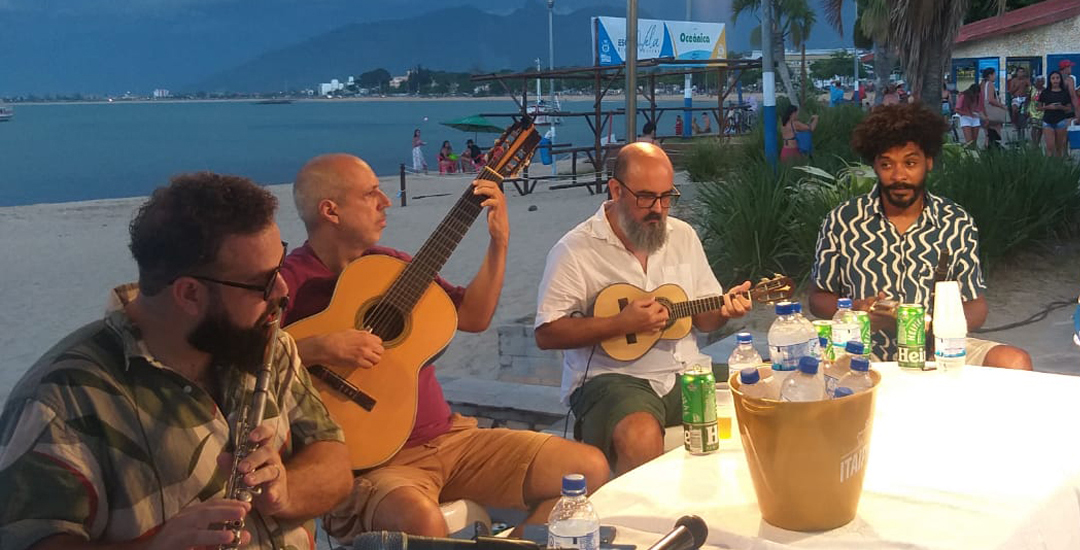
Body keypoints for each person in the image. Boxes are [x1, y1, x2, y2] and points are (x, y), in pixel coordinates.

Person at [0, 173, 353, 550]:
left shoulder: (268, 345)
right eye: (263, 283)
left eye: (280, 267)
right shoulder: (60, 399)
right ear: (189, 294)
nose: (283, 292)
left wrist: (286, 490)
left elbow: (333, 459)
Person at [282, 154, 609, 541]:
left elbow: (473, 316)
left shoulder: (390, 266)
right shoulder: (288, 282)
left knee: (587, 468)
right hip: (373, 466)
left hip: (453, 439)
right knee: (423, 524)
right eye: (371, 194)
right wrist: (318, 346)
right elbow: (242, 362)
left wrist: (499, 243)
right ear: (330, 210)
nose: (385, 201)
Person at [534, 143, 752, 475]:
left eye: (667, 197)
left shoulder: (683, 237)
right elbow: (547, 333)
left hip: (687, 371)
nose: (659, 209)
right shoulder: (575, 250)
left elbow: (705, 321)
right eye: (646, 197)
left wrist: (725, 310)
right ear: (616, 189)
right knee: (640, 434)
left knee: (760, 389)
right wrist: (620, 324)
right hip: (613, 380)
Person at [809, 103, 1032, 371]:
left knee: (1014, 362)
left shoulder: (955, 221)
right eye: (887, 164)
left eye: (910, 162)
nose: (899, 175)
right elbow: (818, 298)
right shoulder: (843, 220)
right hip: (863, 349)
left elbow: (976, 307)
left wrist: (927, 324)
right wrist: (855, 312)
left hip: (938, 347)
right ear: (875, 166)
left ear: (928, 162)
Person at [1037, 71, 1074, 157]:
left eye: (1057, 78)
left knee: (1059, 147)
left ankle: (1058, 166)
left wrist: (1061, 107)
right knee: (1050, 146)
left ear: (1060, 80)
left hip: (1060, 121)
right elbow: (1038, 107)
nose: (1055, 80)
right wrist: (1048, 107)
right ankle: (1049, 165)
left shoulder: (1064, 93)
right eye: (1053, 78)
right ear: (1050, 80)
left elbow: (1069, 108)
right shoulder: (1045, 92)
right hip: (1048, 121)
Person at [981, 68, 1007, 148]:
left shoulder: (982, 84)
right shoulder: (990, 84)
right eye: (994, 74)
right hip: (991, 111)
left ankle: (986, 150)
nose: (995, 76)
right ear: (990, 75)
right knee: (996, 130)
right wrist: (1002, 105)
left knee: (987, 134)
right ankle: (994, 150)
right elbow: (991, 99)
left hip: (983, 110)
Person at [1008, 67, 1031, 135]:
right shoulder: (1014, 80)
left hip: (1024, 98)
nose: (1021, 73)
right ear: (1017, 73)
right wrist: (1017, 87)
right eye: (1019, 72)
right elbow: (1011, 91)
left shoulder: (1026, 80)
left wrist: (1028, 94)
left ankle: (1024, 123)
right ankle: (1014, 123)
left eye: (1022, 72)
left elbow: (1031, 89)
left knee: (1026, 111)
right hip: (1016, 98)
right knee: (1014, 109)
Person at [1027, 75, 1046, 146]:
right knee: (1034, 127)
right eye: (1039, 81)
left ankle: (1038, 142)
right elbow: (1027, 99)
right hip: (1033, 110)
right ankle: (1034, 143)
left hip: (1041, 110)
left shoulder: (1045, 90)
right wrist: (1026, 109)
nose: (1041, 83)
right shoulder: (1031, 89)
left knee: (1040, 128)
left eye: (1042, 81)